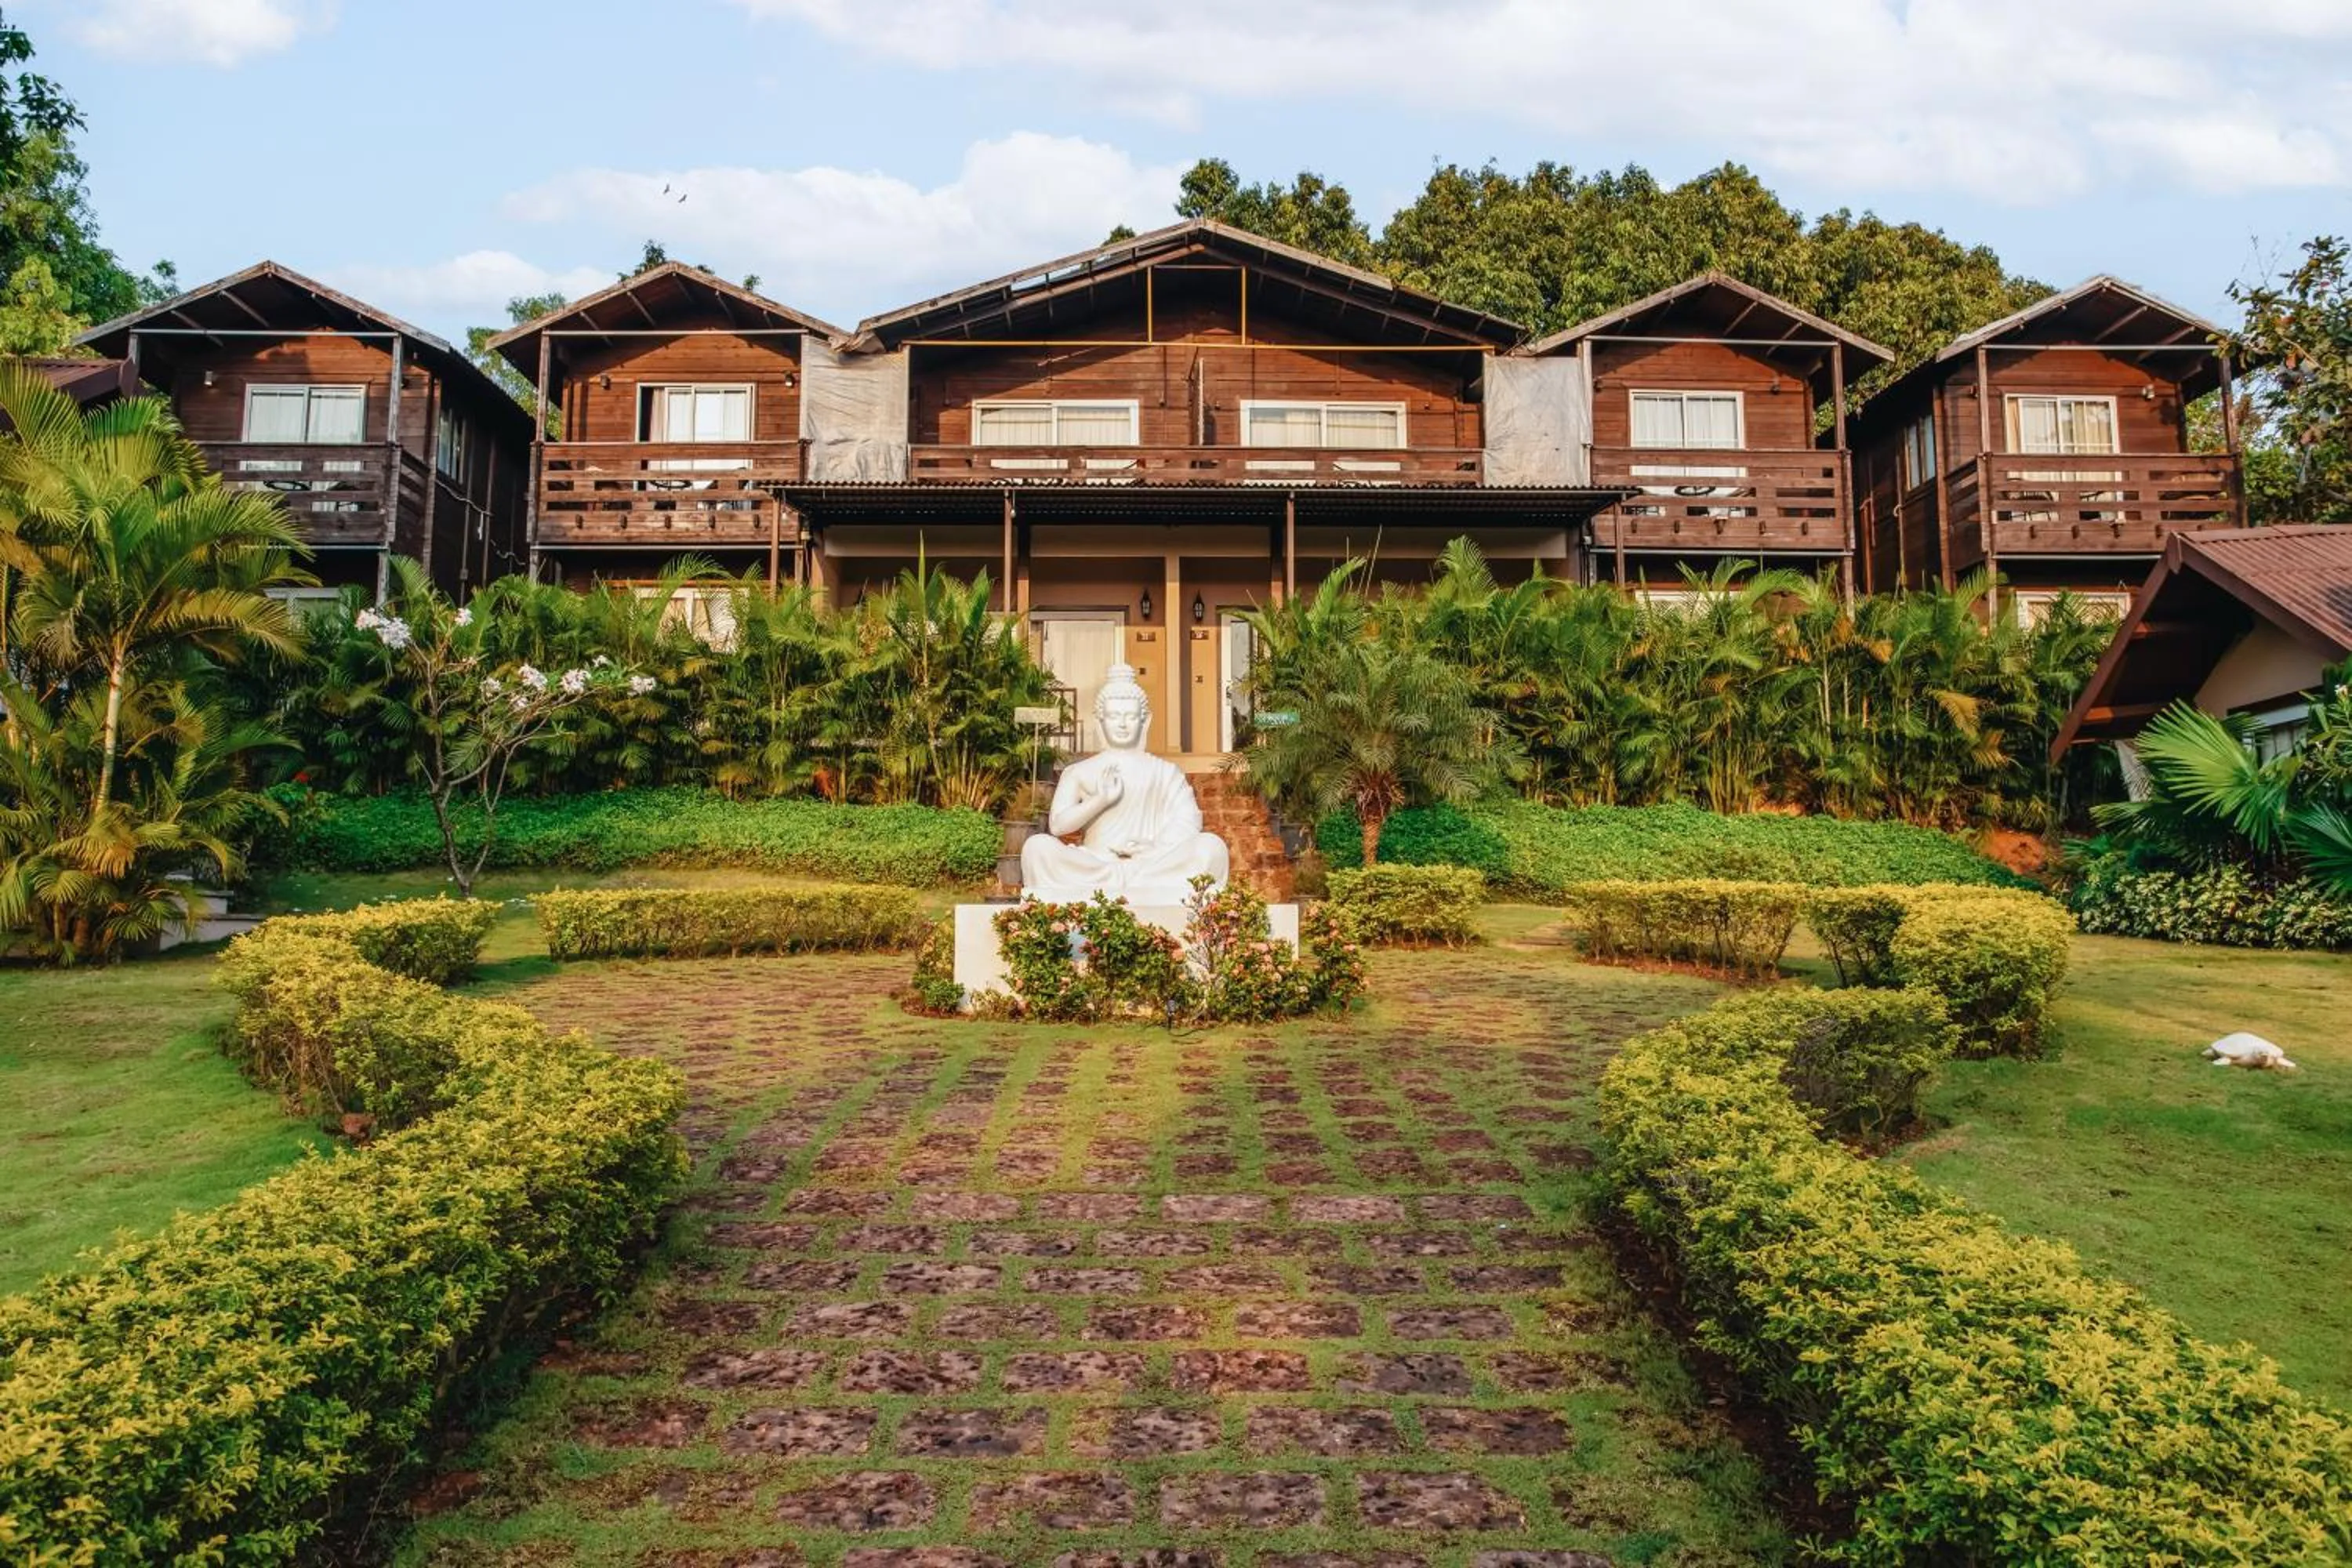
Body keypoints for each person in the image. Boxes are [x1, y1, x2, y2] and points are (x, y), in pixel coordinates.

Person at [1020, 662, 1229, 904]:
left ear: (1145, 721)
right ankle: (1129, 885)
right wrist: (1100, 800)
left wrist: (1155, 847)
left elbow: (1188, 821)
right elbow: (1057, 826)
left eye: (1130, 717)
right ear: (1100, 721)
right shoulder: (1079, 771)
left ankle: (1132, 883)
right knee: (1036, 848)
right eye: (1114, 716)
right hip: (1096, 865)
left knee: (1212, 847)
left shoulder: (1165, 772)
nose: (1122, 724)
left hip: (1151, 865)